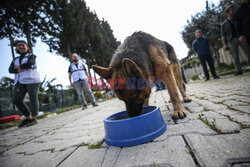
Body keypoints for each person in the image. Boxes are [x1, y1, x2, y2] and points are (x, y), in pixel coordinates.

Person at [9, 40, 41, 127]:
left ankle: (34, 118)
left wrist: (19, 68)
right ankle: (29, 117)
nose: (21, 47)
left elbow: (30, 64)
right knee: (16, 100)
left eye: (23, 45)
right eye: (19, 45)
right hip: (20, 81)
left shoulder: (31, 56)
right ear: (17, 48)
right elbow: (10, 70)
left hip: (32, 80)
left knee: (33, 98)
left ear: (27, 47)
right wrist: (23, 68)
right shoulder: (15, 59)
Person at [221, 4, 250, 76]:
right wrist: (224, 45)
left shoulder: (238, 19)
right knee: (235, 56)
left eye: (233, 10)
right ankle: (239, 70)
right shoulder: (224, 24)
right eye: (231, 10)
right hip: (231, 40)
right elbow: (223, 35)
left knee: (248, 52)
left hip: (241, 37)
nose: (233, 11)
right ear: (227, 13)